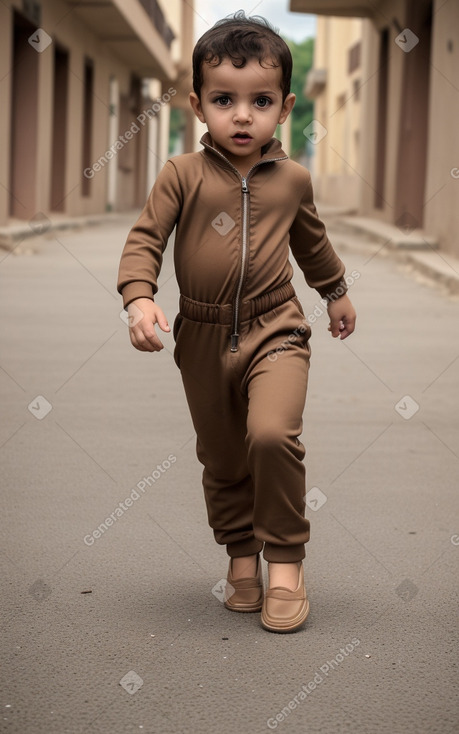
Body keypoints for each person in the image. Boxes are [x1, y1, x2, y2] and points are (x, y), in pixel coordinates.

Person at [117, 11, 356, 633]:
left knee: (272, 435)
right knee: (223, 458)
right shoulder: (181, 176)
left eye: (261, 101)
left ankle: (285, 560)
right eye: (225, 99)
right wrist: (139, 298)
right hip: (199, 335)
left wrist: (335, 292)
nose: (242, 115)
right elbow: (145, 240)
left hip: (277, 326)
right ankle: (240, 556)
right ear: (198, 105)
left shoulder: (292, 180)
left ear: (286, 106)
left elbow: (313, 244)